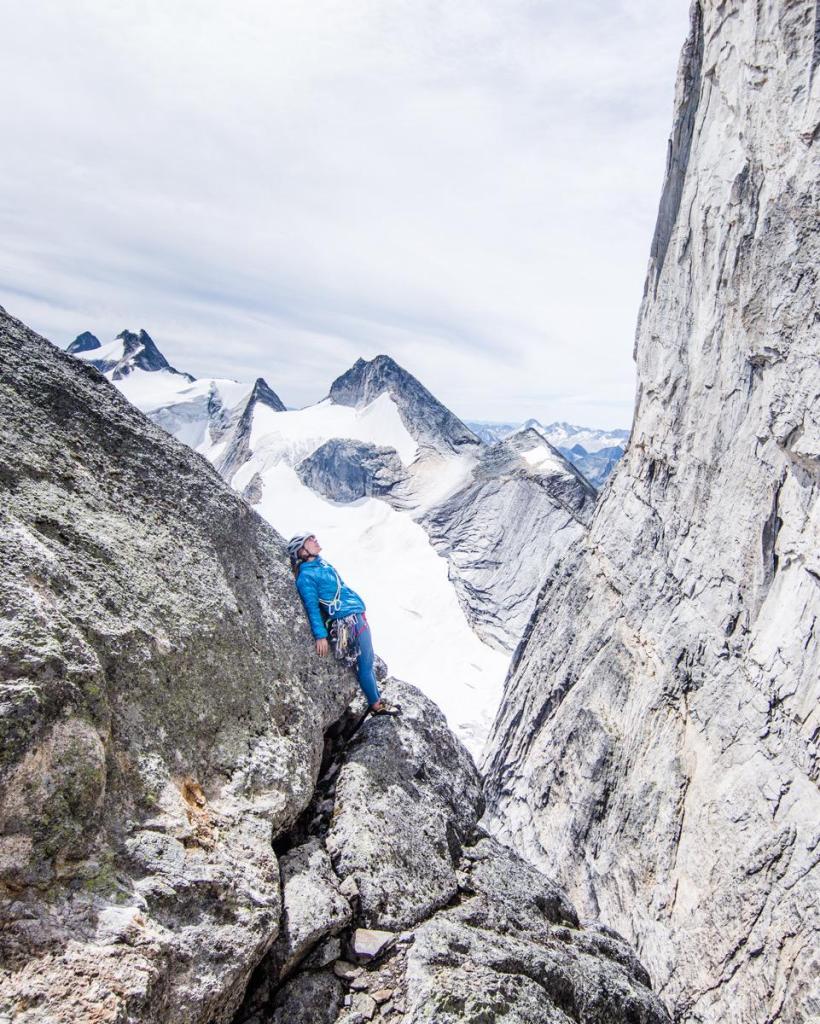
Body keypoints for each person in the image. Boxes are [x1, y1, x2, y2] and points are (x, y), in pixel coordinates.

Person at [287, 533, 399, 715]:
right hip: (349, 621)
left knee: (367, 662)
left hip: (355, 616)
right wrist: (320, 635)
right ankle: (377, 705)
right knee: (365, 664)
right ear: (302, 551)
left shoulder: (321, 564)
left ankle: (377, 700)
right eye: (310, 540)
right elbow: (312, 607)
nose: (315, 540)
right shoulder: (306, 577)